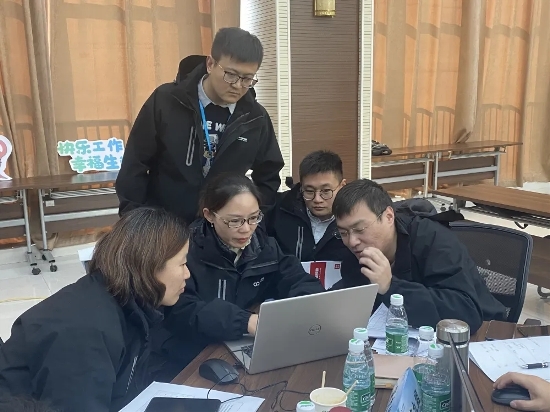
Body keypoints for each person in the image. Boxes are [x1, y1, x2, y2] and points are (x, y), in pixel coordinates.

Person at [0, 208, 191, 412]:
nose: (187, 274)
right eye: (183, 263)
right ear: (150, 266)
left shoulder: (128, 303)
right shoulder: (86, 332)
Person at [116, 27, 284, 223]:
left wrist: (252, 219)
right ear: (210, 64)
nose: (238, 85)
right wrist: (135, 220)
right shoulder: (167, 101)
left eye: (247, 79)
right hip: (165, 225)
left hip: (222, 229)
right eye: (231, 74)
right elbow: (134, 165)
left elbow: (269, 174)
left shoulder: (255, 117)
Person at [164, 173, 325, 344]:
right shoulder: (185, 252)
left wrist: (306, 306)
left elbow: (296, 279)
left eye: (254, 218)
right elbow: (181, 309)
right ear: (209, 215)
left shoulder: (264, 247)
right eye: (235, 221)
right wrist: (244, 321)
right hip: (193, 347)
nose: (246, 229)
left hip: (244, 341)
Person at [331, 179, 507, 333]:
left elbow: (465, 313)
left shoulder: (434, 239)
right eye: (343, 232)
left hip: (483, 335)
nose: (352, 241)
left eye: (360, 229)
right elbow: (352, 295)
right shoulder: (357, 250)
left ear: (389, 217)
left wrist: (391, 286)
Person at [266, 150, 354, 264]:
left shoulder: (356, 216)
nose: (317, 199)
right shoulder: (280, 209)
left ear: (342, 186)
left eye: (326, 191)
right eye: (309, 191)